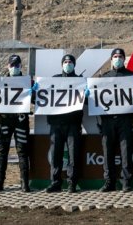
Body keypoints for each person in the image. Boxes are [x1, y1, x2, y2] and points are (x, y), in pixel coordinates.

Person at [98, 48, 133, 192]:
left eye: (120, 56)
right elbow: (94, 102)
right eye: (115, 56)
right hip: (107, 121)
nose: (117, 58)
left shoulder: (132, 77)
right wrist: (87, 96)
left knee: (125, 151)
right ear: (111, 59)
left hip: (125, 120)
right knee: (107, 151)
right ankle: (109, 182)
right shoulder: (104, 77)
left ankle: (126, 181)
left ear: (124, 59)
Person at [0, 54, 31, 192]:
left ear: (21, 66)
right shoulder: (0, 81)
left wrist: (34, 91)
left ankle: (24, 183)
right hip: (5, 120)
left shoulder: (27, 81)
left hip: (21, 120)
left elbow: (37, 99)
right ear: (8, 66)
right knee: (2, 152)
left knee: (23, 152)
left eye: (17, 65)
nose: (14, 67)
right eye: (12, 65)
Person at [45, 53, 83, 193]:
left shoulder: (80, 81)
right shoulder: (53, 80)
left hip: (73, 124)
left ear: (74, 64)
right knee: (56, 155)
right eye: (65, 61)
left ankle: (72, 183)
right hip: (56, 124)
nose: (68, 64)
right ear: (62, 64)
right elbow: (43, 98)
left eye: (70, 62)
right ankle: (55, 182)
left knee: (73, 155)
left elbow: (86, 102)